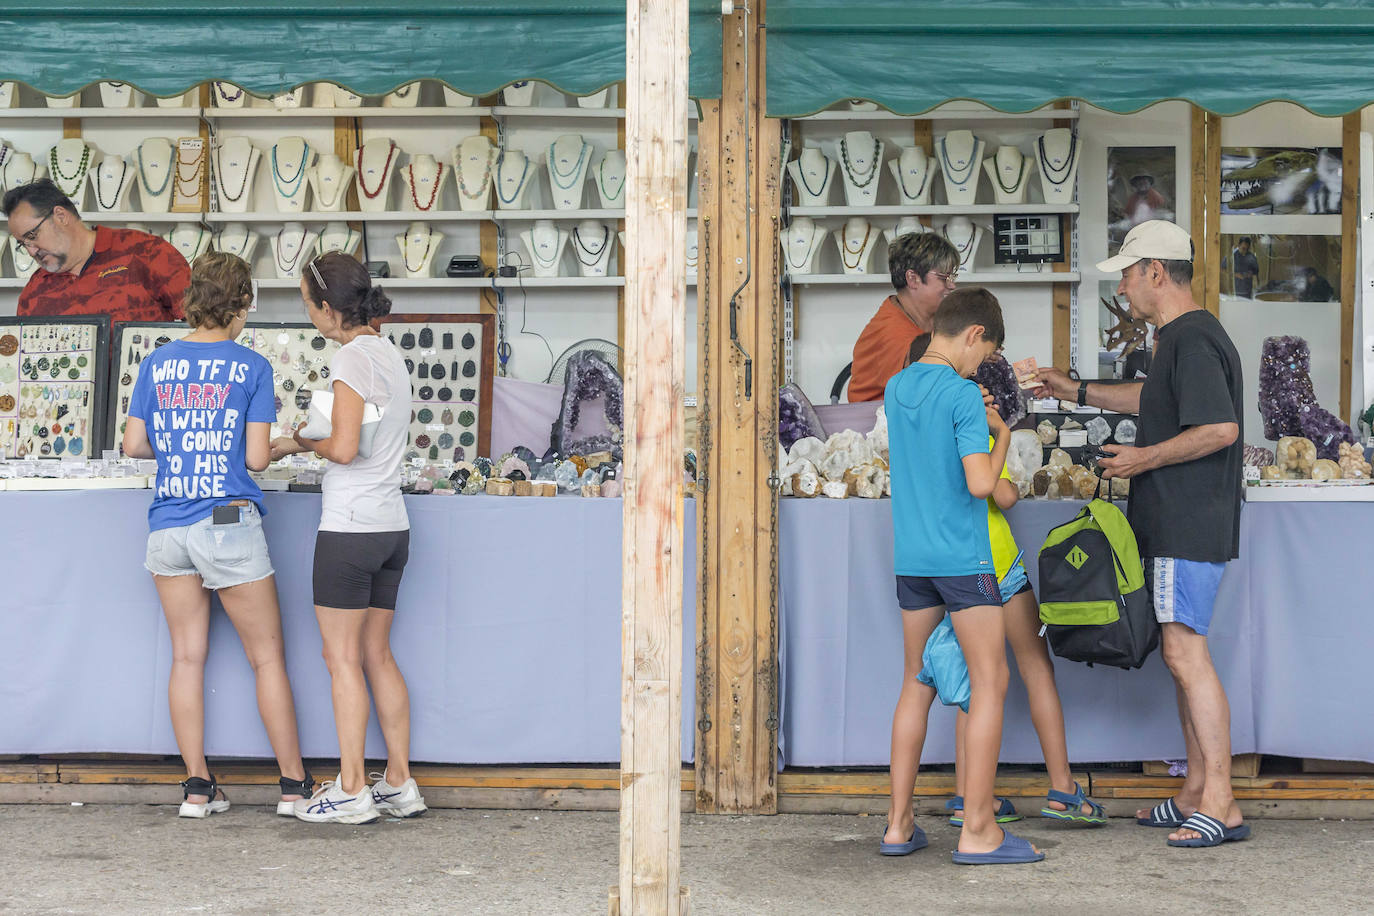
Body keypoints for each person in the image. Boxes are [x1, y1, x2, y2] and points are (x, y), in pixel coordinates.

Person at [1033, 219, 1248, 849]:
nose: (1123, 287)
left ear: (1156, 272)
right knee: (1180, 661)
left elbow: (1219, 429)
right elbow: (1152, 401)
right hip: (1174, 523)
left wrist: (1140, 460)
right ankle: (1194, 791)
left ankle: (1222, 800)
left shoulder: (1193, 338)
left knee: (1186, 657)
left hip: (1187, 523)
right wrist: (1074, 389)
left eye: (1127, 274)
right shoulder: (1177, 340)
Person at [121, 251, 311, 819]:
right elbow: (255, 457)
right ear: (240, 307)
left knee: (186, 658)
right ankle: (294, 787)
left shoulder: (157, 364)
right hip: (226, 520)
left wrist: (181, 447)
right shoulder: (250, 367)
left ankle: (198, 788)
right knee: (268, 659)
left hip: (168, 526)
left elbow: (133, 445)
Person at [881, 287, 1043, 865]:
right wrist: (1001, 435)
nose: (984, 366)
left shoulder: (898, 387)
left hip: (913, 560)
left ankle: (899, 826)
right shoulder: (962, 394)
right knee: (989, 681)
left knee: (915, 682)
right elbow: (982, 485)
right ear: (973, 334)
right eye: (987, 353)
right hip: (964, 561)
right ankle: (979, 830)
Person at [271, 252, 426, 825]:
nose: (308, 314)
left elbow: (342, 448)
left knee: (341, 661)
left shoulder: (350, 360)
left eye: (308, 304)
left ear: (328, 308)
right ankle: (398, 782)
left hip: (351, 528)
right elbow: (363, 435)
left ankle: (352, 787)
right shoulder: (389, 354)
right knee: (376, 654)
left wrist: (296, 443)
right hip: (392, 526)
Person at [943, 415, 1108, 830]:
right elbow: (1005, 495)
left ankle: (967, 797)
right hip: (996, 560)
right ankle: (1063, 788)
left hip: (952, 567)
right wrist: (999, 433)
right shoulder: (972, 432)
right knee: (1036, 666)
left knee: (972, 681)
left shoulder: (923, 433)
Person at [2, 179, 189, 321]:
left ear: (60, 216)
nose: (31, 251)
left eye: (32, 236)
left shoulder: (146, 252)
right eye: (22, 243)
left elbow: (204, 326)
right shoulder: (34, 293)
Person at [847, 232, 960, 402]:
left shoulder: (924, 315)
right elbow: (930, 399)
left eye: (952, 277)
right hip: (879, 423)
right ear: (913, 279)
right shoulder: (894, 336)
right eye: (944, 278)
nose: (952, 285)